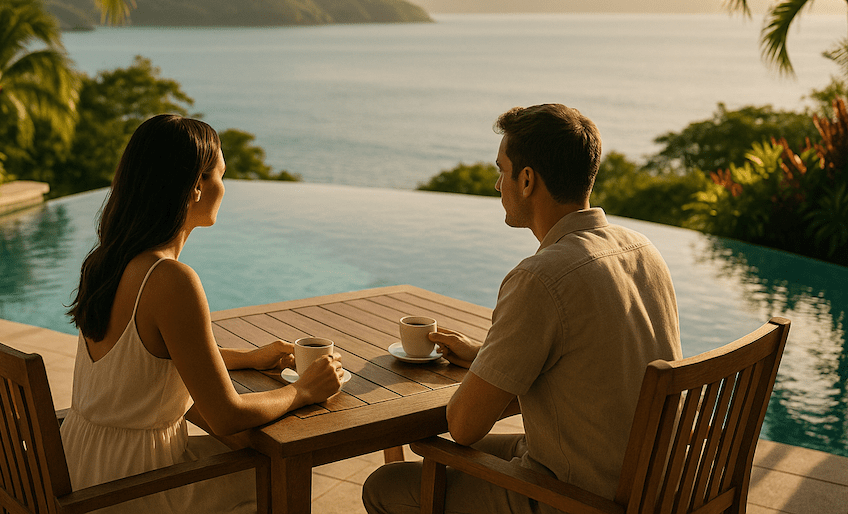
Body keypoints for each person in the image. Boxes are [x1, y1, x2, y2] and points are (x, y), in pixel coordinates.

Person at [363, 104, 682, 514]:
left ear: (527, 179)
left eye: (502, 170)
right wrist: (485, 358)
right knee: (451, 451)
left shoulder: (541, 278)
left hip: (579, 498)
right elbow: (593, 362)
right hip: (647, 477)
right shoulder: (643, 249)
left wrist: (483, 379)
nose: (499, 185)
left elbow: (463, 426)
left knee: (388, 484)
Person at [61, 114, 344, 514]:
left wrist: (248, 357)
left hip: (81, 466)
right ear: (196, 186)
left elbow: (148, 361)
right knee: (272, 474)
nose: (224, 188)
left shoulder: (107, 261)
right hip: (133, 487)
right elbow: (226, 415)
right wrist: (303, 390)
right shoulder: (171, 279)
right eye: (220, 176)